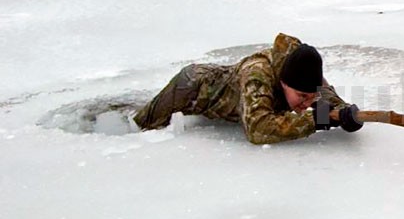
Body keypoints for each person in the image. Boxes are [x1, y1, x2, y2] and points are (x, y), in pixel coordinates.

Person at [134, 33, 363, 145]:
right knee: (141, 125)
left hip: (225, 90)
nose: (307, 103)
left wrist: (345, 114)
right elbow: (258, 129)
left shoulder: (302, 73)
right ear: (283, 82)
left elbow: (326, 98)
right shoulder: (257, 75)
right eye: (301, 96)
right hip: (192, 87)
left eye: (311, 97)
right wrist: (316, 120)